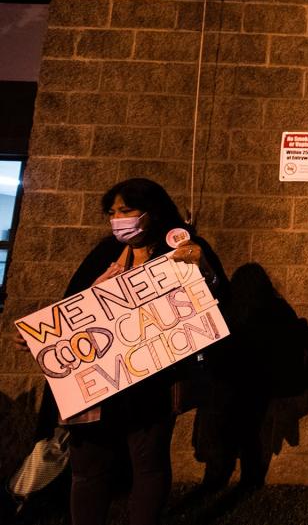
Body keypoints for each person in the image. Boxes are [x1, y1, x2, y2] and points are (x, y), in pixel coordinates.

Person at [27, 178, 229, 525]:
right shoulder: (103, 253)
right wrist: (41, 338)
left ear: (152, 212)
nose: (117, 218)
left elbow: (215, 300)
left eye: (126, 210)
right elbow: (69, 309)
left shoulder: (184, 250)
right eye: (112, 212)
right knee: (88, 468)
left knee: (147, 463)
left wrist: (203, 268)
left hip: (151, 385)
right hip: (96, 385)